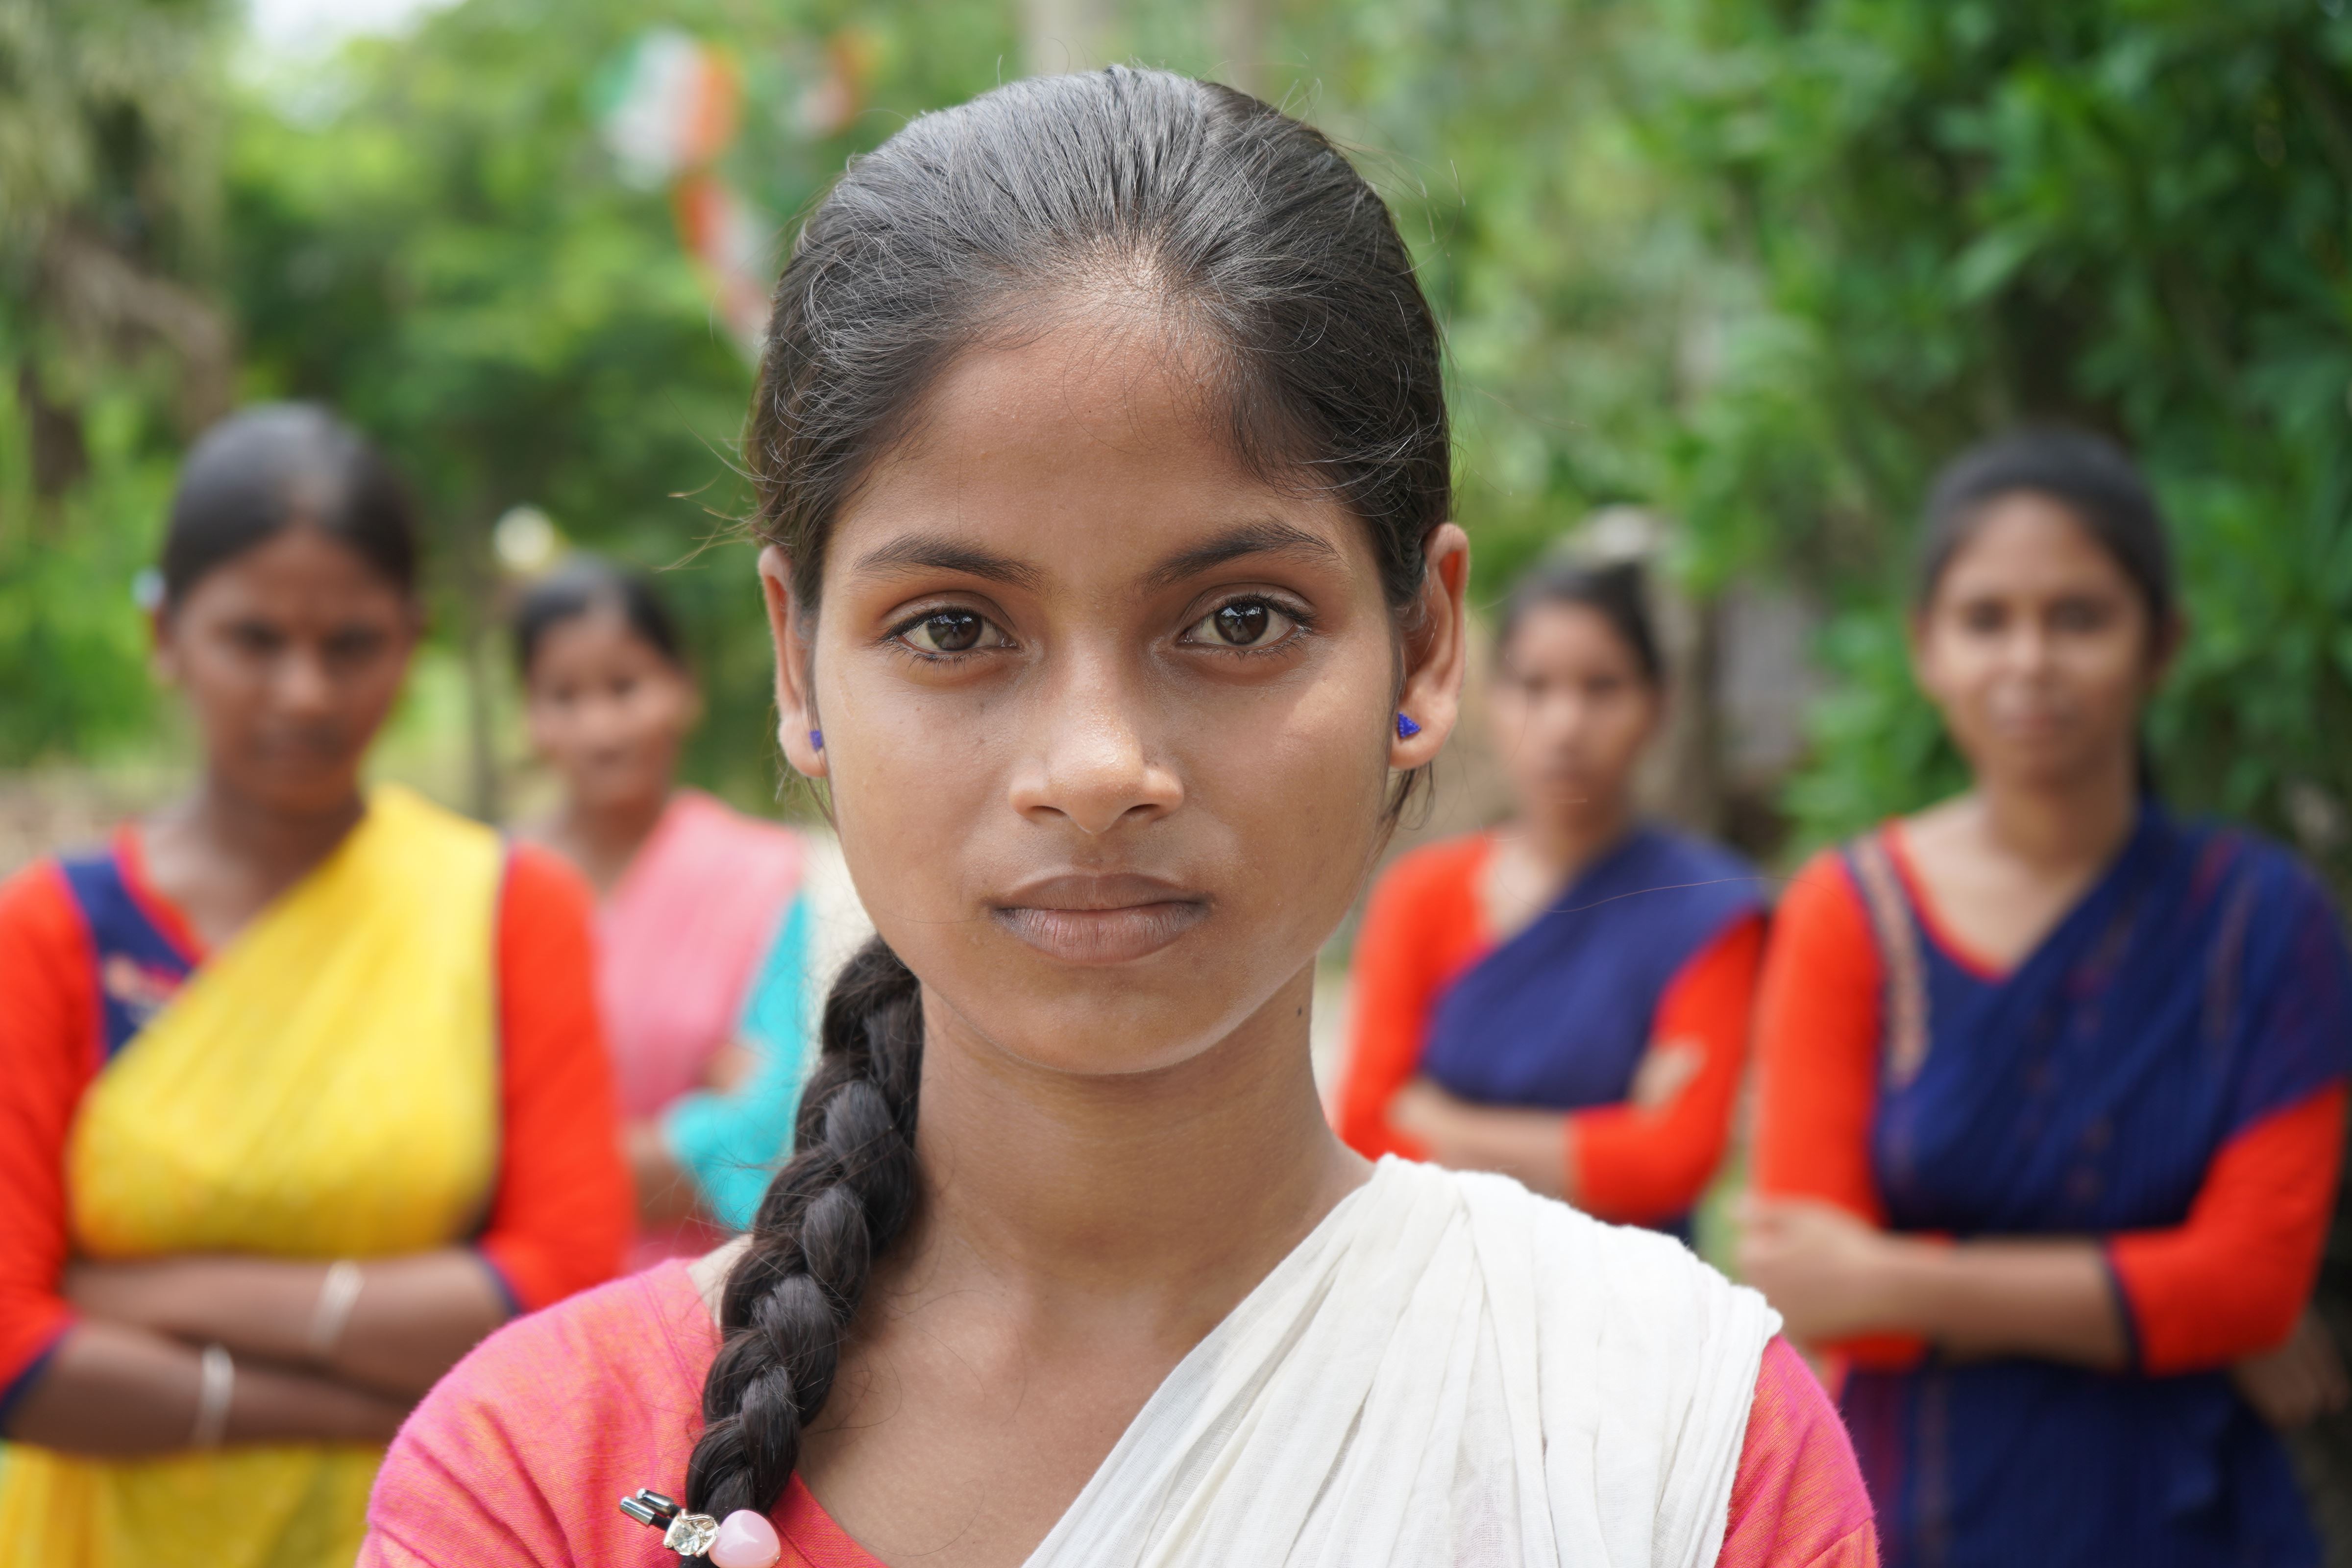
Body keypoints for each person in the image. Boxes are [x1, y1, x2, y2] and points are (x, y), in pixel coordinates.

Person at [360, 69, 1876, 1568]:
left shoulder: (1665, 1441)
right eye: (954, 629)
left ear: (1422, 649)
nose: (1096, 766)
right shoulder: (538, 1477)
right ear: (795, 665)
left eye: (1238, 619)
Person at [0, 405, 632, 1566]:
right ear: (165, 633)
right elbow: (13, 1357)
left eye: (349, 643)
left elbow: (563, 1286)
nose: (303, 693)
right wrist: (363, 1400)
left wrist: (149, 1293)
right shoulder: (52, 932)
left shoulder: (505, 907)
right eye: (253, 639)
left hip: (423, 1534)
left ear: (412, 638)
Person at [1741, 428, 2352, 1567]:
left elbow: (2254, 1284)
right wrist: (2154, 1301)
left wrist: (1902, 1277)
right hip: (1917, 1506)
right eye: (1986, 620)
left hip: (2193, 1510)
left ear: (2161, 644)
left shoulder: (2266, 924)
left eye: (2079, 617)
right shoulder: (1851, 911)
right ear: (1926, 648)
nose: (2029, 660)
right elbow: (1813, 1286)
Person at [1334, 558, 1764, 1238]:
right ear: (1490, 699)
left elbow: (1673, 1160)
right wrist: (1605, 1140)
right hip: (1438, 1279)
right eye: (1533, 686)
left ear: (1659, 704)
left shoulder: (1706, 909)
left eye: (1602, 687)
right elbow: (1364, 1128)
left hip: (1630, 1304)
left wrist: (1439, 1123)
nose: (1565, 723)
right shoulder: (1423, 894)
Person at [514, 557, 816, 1267]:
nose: (601, 726)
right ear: (531, 717)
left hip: (708, 1308)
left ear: (684, 689)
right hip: (511, 1295)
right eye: (565, 696)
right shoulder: (489, 889)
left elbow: (760, 1134)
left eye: (626, 687)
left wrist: (536, 1168)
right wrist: (684, 1132)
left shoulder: (763, 878)